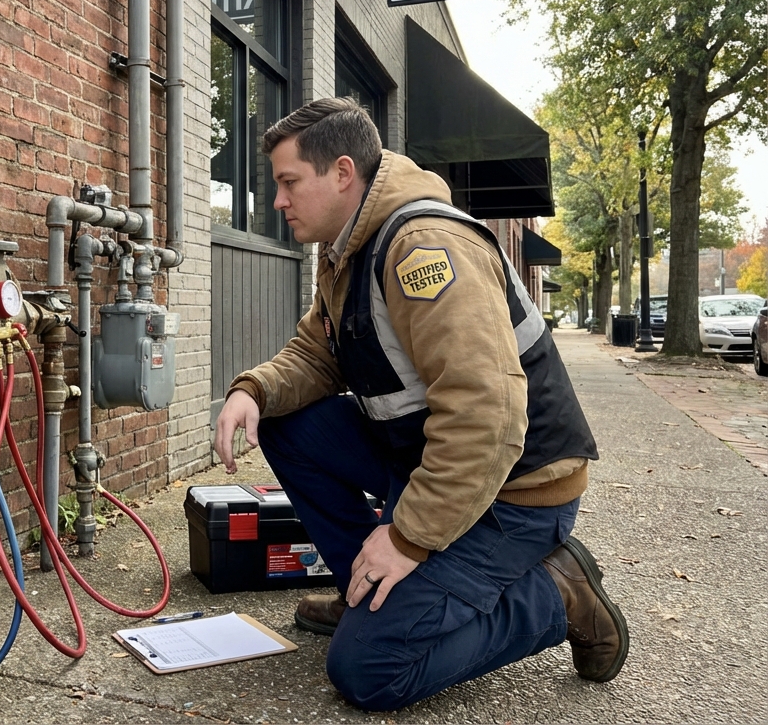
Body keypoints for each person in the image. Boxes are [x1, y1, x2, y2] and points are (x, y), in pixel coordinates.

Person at [214, 97, 628, 711]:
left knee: (369, 670)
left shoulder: (422, 250)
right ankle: (370, 591)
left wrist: (407, 540)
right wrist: (252, 391)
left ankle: (555, 594)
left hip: (512, 494)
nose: (278, 200)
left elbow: (484, 418)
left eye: (288, 182)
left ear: (343, 173)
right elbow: (316, 355)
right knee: (290, 425)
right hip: (434, 469)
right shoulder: (347, 253)